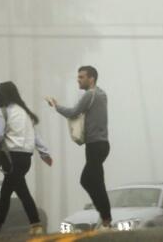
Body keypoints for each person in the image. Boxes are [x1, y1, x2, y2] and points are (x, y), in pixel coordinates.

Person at [0, 81, 52, 236]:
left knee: (13, 191)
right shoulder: (25, 112)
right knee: (13, 190)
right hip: (26, 157)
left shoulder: (3, 111)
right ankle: (30, 224)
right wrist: (44, 153)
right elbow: (36, 136)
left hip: (11, 157)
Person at [46, 65, 111, 229]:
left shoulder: (90, 94)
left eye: (82, 77)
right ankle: (106, 219)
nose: (78, 80)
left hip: (95, 145)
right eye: (78, 77)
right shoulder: (101, 93)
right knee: (96, 182)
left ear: (91, 79)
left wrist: (56, 106)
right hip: (101, 144)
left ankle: (106, 218)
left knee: (87, 180)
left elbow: (73, 112)